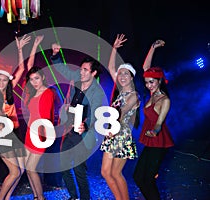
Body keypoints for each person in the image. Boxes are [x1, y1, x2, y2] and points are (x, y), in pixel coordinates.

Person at [0, 34, 44, 200]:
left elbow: (21, 69)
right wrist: (0, 120)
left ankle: (6, 198)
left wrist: (20, 50)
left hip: (14, 134)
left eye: (5, 80)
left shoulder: (9, 90)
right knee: (14, 171)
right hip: (1, 135)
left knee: (19, 172)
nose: (2, 83)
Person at [51, 43, 106, 200]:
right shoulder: (77, 79)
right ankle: (73, 196)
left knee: (79, 170)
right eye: (81, 69)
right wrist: (56, 55)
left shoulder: (97, 91)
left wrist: (86, 125)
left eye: (85, 70)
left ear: (94, 73)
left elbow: (96, 113)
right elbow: (63, 69)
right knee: (63, 166)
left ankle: (84, 198)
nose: (81, 72)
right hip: (70, 131)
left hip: (83, 134)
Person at [99, 34, 140, 200]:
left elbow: (121, 113)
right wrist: (114, 48)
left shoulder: (134, 95)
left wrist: (107, 126)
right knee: (107, 173)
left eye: (126, 74)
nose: (122, 76)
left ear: (131, 77)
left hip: (121, 136)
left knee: (114, 173)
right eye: (120, 74)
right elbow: (110, 67)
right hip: (112, 133)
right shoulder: (120, 93)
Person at [133, 39, 174, 200]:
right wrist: (152, 47)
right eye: (146, 82)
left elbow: (159, 124)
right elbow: (145, 68)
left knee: (147, 180)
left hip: (159, 142)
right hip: (152, 142)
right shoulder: (152, 94)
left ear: (159, 81)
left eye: (152, 82)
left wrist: (154, 131)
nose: (148, 85)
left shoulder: (164, 100)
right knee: (138, 177)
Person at [24, 66, 55, 200]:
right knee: (27, 168)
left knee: (31, 168)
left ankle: (41, 198)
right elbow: (32, 115)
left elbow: (46, 118)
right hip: (29, 133)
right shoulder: (32, 93)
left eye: (36, 78)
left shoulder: (48, 93)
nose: (34, 82)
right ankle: (36, 197)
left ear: (42, 77)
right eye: (31, 79)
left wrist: (43, 137)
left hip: (40, 134)